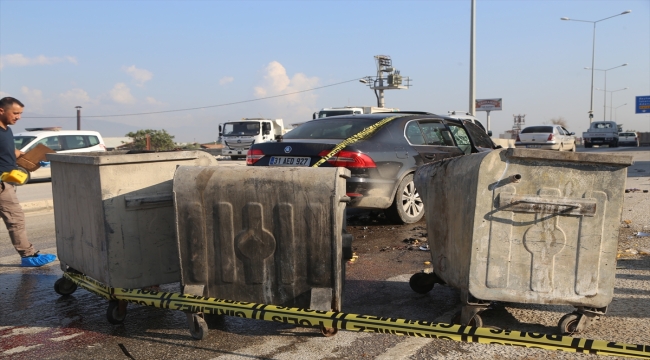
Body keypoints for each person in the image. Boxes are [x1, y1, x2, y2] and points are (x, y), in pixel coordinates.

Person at [0, 97, 56, 267]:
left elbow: (11, 152)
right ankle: (28, 255)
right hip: (2, 184)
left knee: (14, 218)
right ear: (1, 110)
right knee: (15, 218)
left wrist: (33, 159)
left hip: (8, 181)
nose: (18, 117)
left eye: (20, 113)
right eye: (15, 113)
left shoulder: (6, 130)